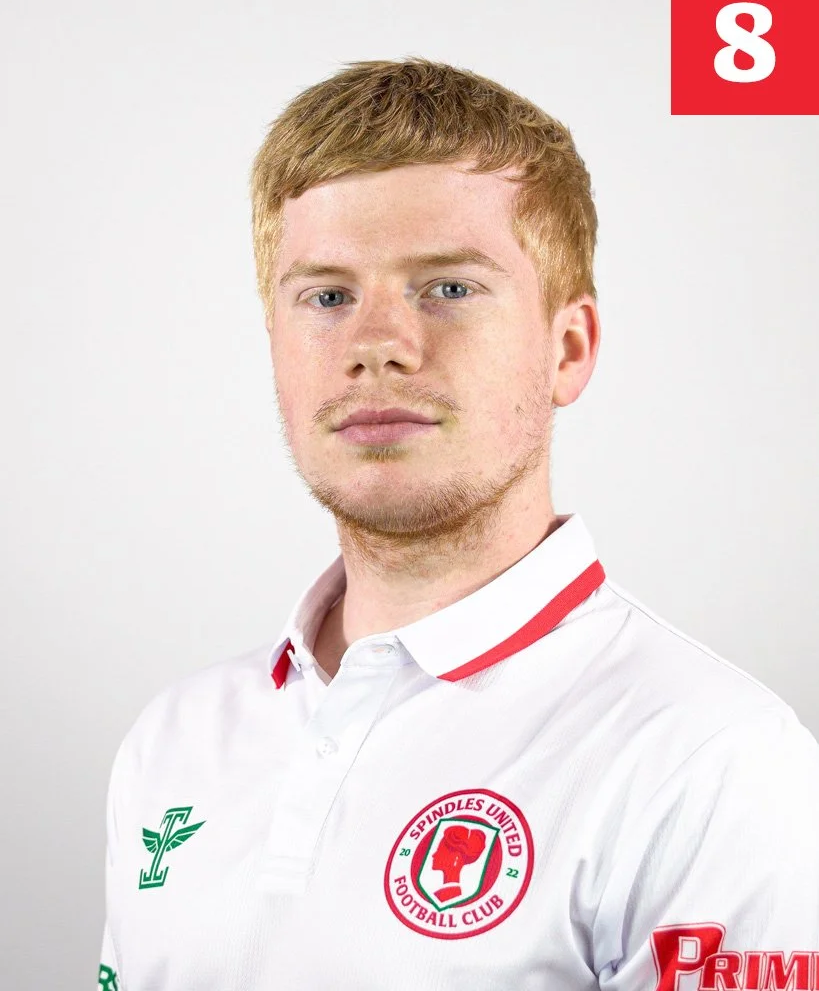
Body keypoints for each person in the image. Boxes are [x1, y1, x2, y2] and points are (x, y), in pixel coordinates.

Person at [97, 57, 819, 991]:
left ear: (567, 349)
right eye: (326, 295)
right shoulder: (174, 739)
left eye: (446, 287)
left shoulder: (709, 759)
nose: (376, 346)